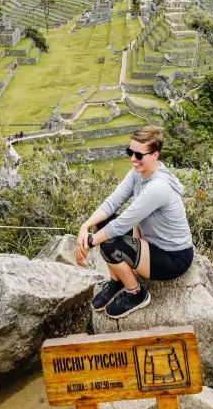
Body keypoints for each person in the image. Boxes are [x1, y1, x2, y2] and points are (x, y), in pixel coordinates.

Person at [75, 125, 193, 319]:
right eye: (130, 152)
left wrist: (88, 243)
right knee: (104, 224)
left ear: (155, 155)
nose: (132, 159)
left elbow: (122, 224)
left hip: (173, 257)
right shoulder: (138, 173)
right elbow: (112, 202)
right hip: (150, 241)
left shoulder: (158, 187)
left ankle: (136, 294)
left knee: (109, 243)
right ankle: (118, 279)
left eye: (139, 155)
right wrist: (85, 226)